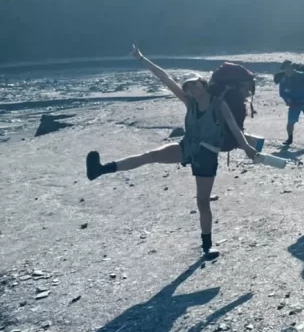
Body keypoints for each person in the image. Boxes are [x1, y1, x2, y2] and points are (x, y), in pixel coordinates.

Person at [85, 45, 259, 260]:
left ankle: (207, 245)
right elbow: (165, 78)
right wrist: (142, 58)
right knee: (151, 155)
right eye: (188, 87)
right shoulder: (189, 102)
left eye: (194, 85)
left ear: (203, 84)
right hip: (187, 147)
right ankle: (101, 169)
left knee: (202, 202)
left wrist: (248, 148)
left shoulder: (219, 104)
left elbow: (234, 127)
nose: (192, 90)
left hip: (207, 155)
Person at [278, 60, 304, 147]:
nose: (289, 69)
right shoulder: (284, 80)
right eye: (286, 68)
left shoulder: (300, 74)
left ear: (293, 68)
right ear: (284, 69)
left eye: (290, 67)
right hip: (294, 104)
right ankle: (290, 138)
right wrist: (287, 99)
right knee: (290, 123)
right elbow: (282, 93)